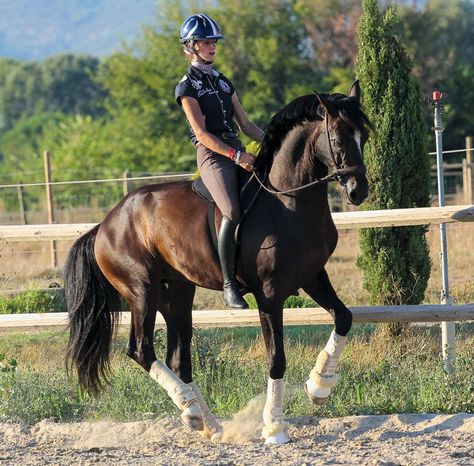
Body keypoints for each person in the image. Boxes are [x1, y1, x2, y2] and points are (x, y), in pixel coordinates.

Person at [175, 13, 265, 309]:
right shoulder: (186, 87)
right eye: (205, 41)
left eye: (213, 41)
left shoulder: (224, 83)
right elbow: (201, 134)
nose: (212, 46)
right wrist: (236, 156)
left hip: (236, 148)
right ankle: (229, 285)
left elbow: (247, 126)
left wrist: (276, 141)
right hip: (214, 157)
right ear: (191, 45)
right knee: (231, 209)